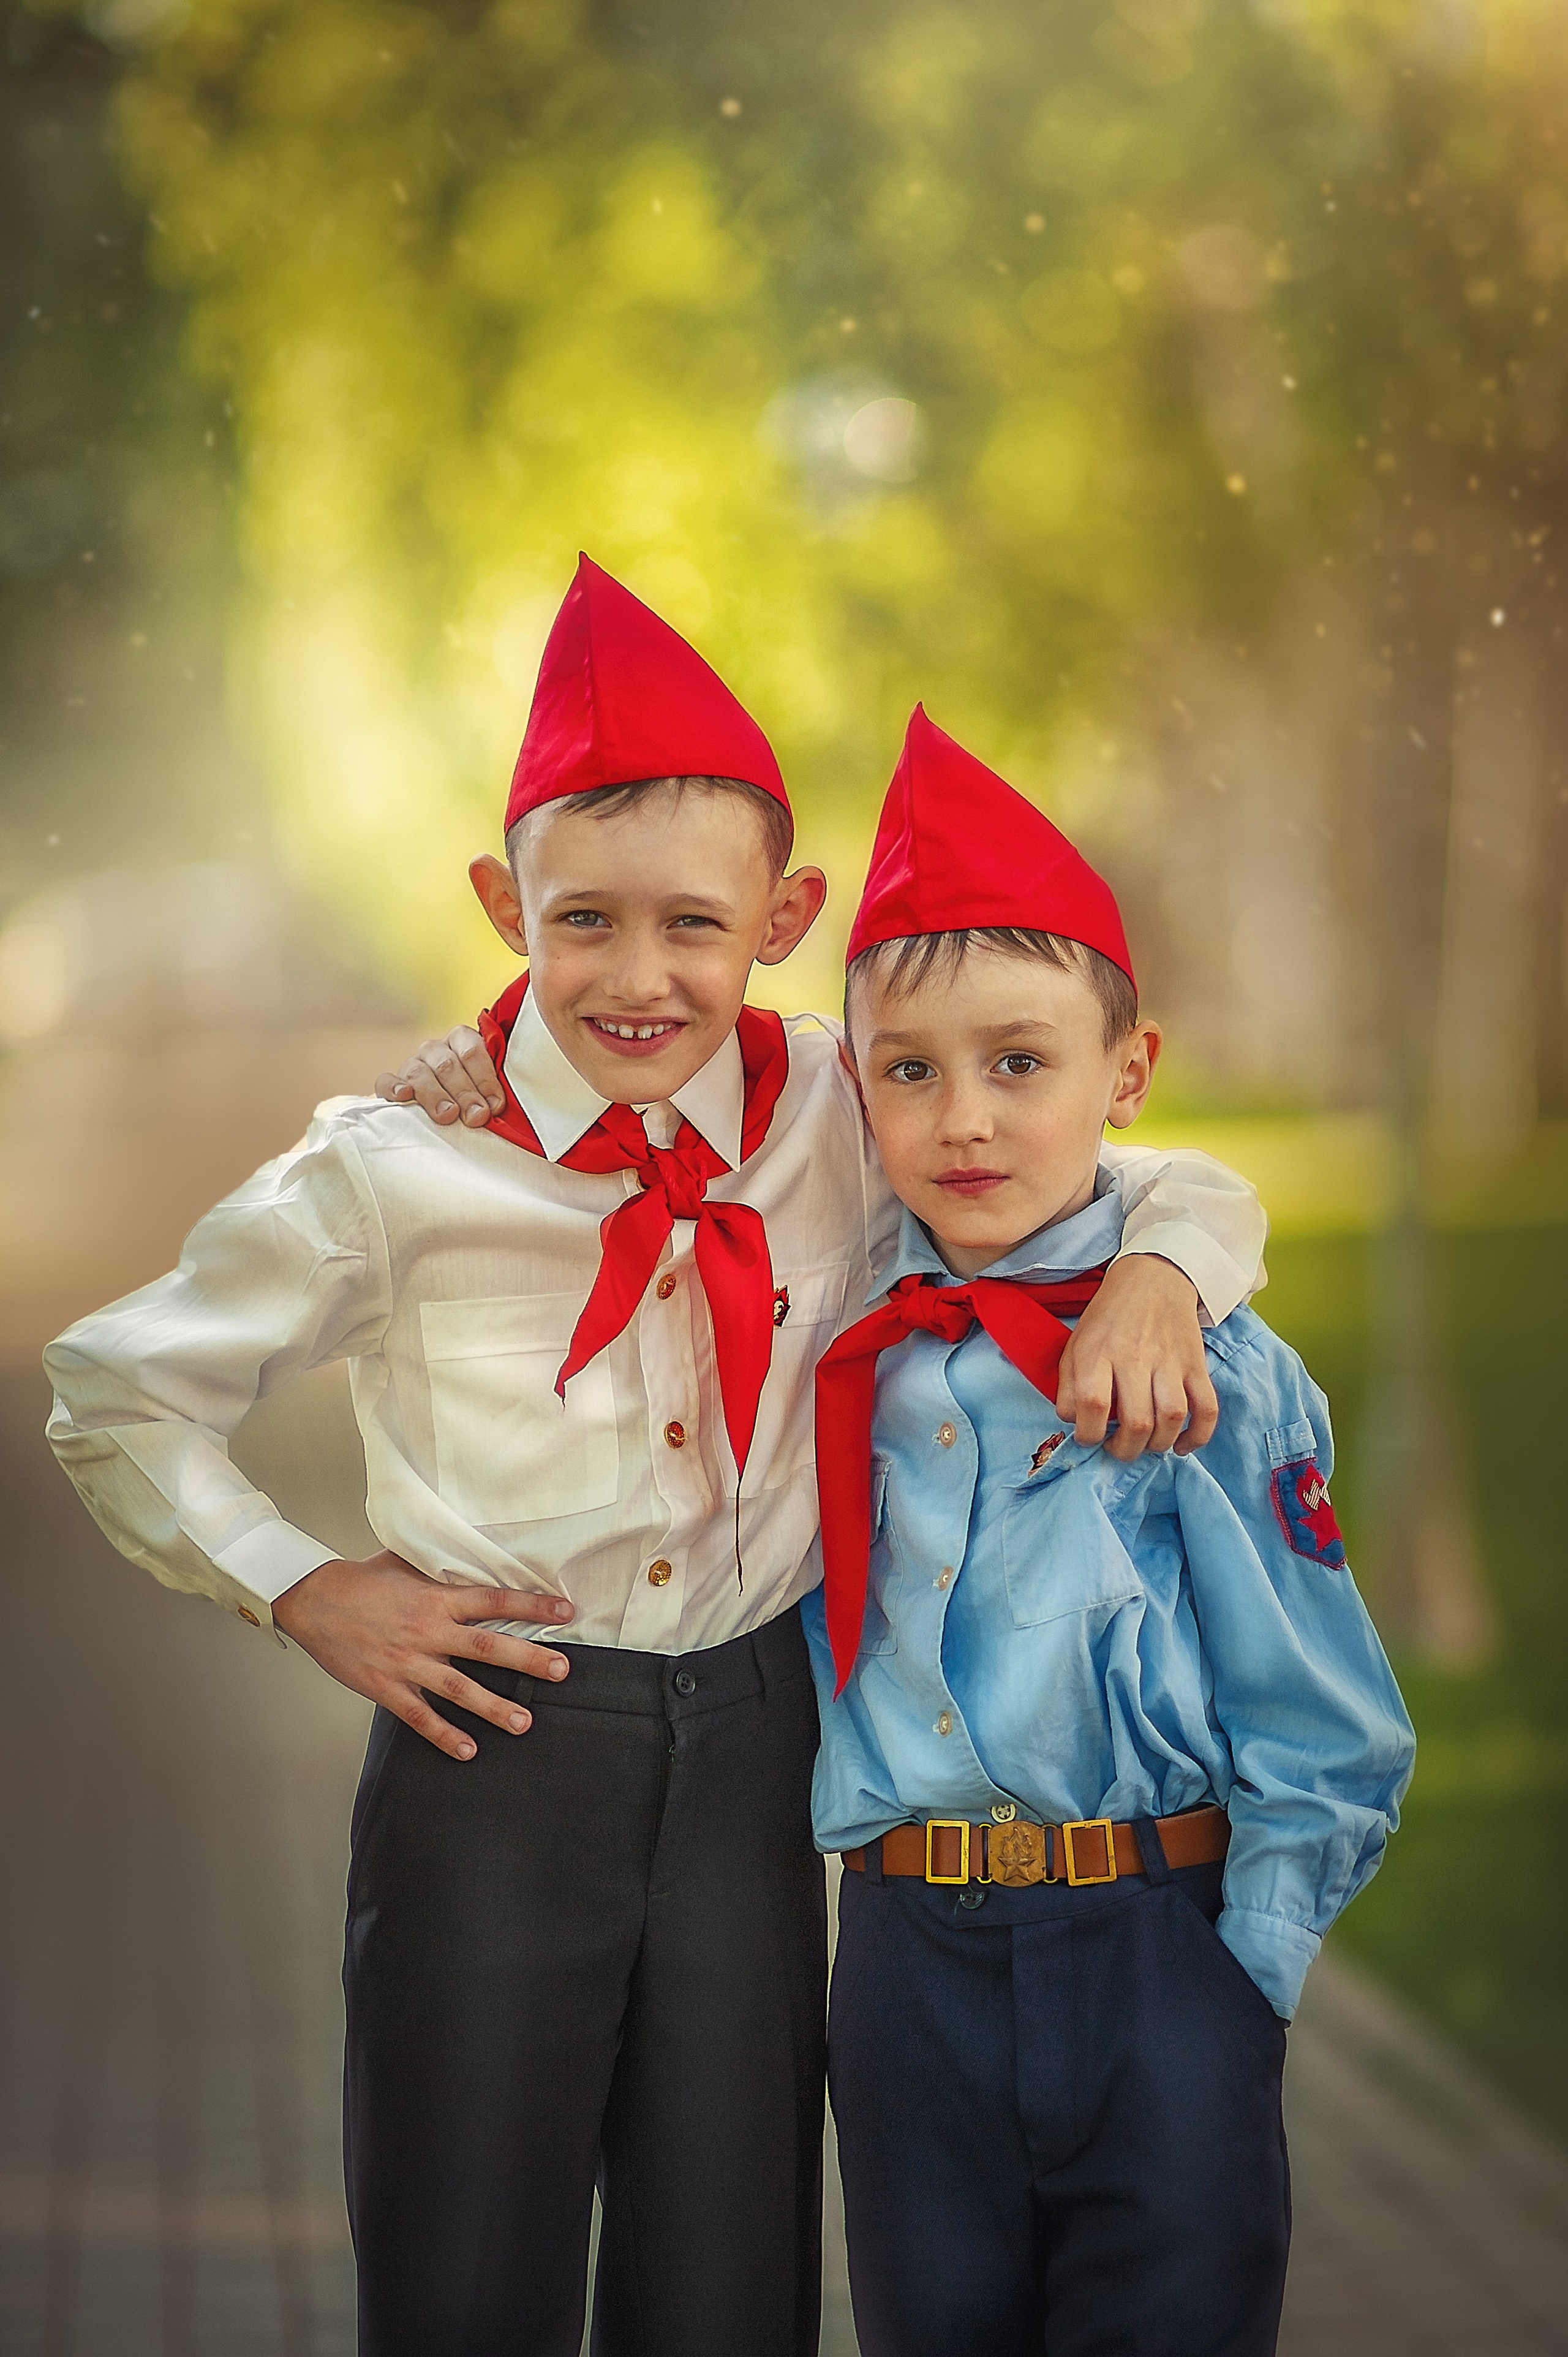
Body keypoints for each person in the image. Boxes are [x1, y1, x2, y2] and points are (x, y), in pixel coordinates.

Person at [45, 559, 1268, 2357]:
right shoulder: (395, 1167)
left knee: (730, 2280)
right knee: (465, 2269)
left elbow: (1150, 1167)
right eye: (583, 922)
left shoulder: (854, 1106)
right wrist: (304, 1585)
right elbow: (113, 1388)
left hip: (763, 1752)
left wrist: (1161, 1273)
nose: (638, 977)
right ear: (501, 903)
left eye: (692, 926)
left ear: (783, 916)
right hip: (500, 1750)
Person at [801, 706, 1416, 2357]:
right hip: (906, 1967)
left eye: (1021, 1061)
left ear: (1125, 1075)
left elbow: (1325, 1713)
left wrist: (1249, 1981)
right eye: (910, 1074)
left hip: (1158, 1955)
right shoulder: (834, 1327)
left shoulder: (1194, 1364)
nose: (966, 1119)